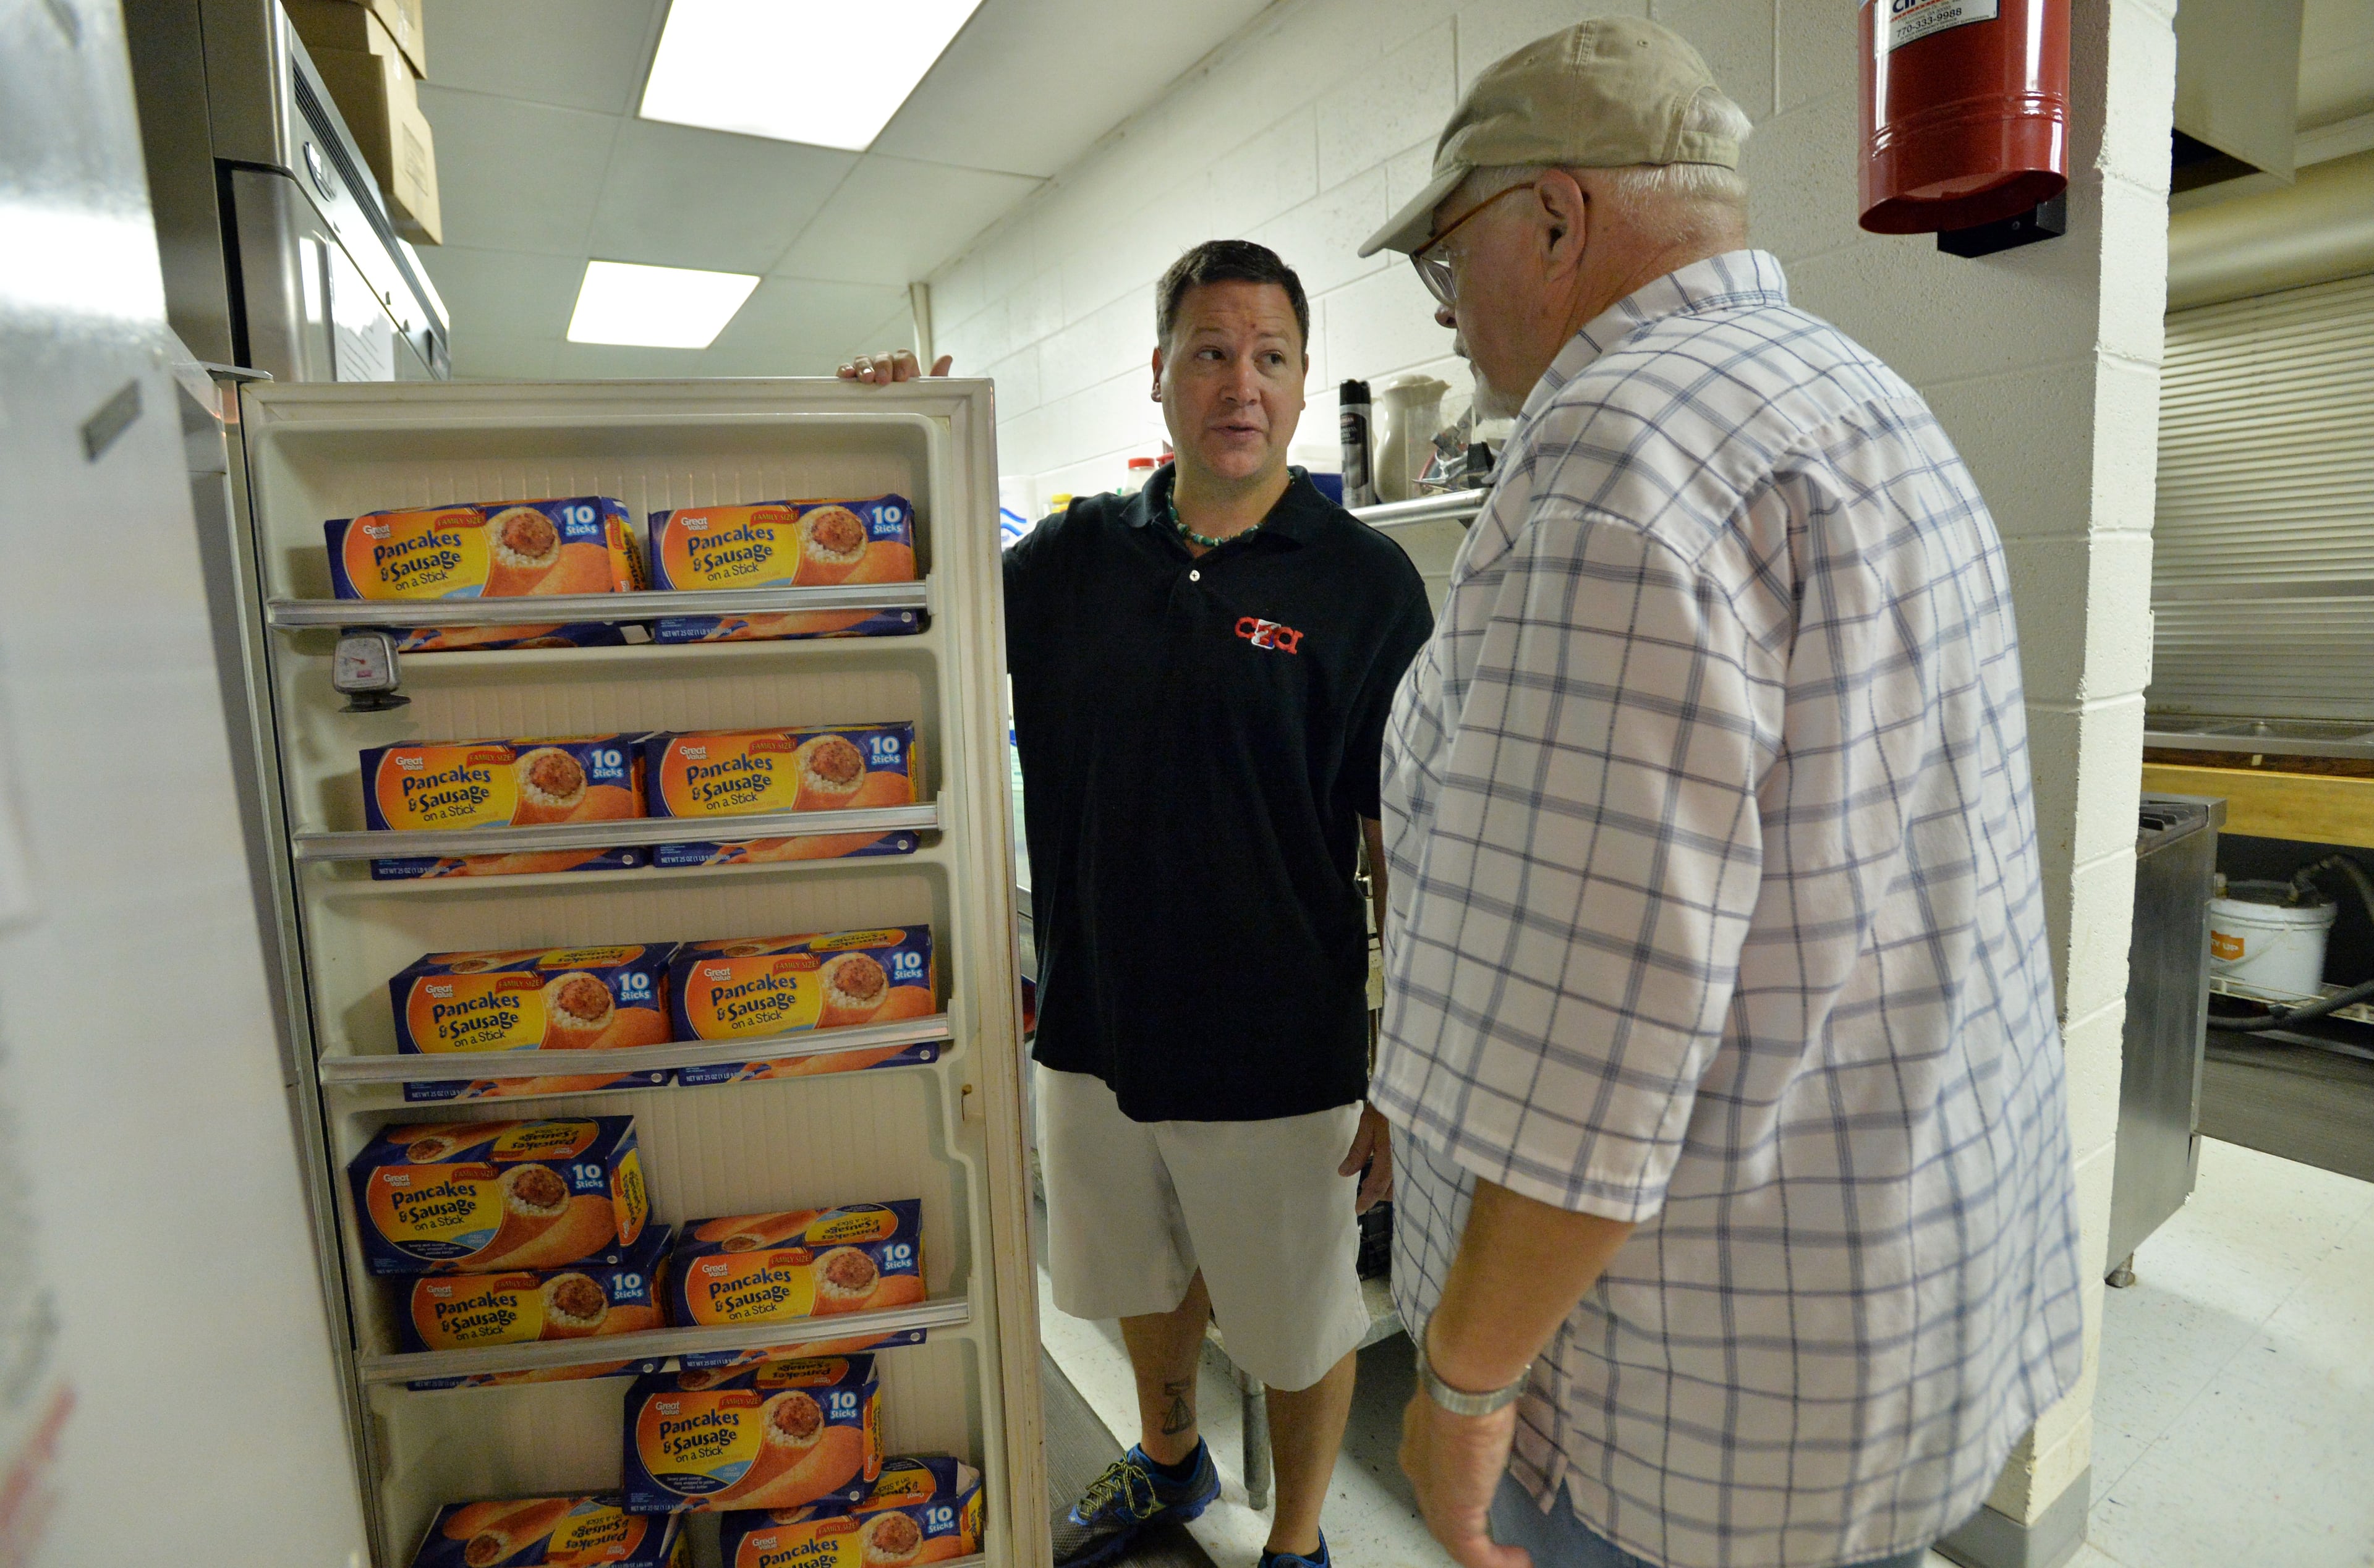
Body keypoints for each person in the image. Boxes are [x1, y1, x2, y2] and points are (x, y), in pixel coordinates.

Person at [1356, 21, 2085, 1568]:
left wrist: (1467, 1385)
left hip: (1677, 1406)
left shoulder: (1616, 459)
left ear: (1555, 220)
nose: (1451, 309)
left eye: (1451, 258)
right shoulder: (1865, 400)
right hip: (1889, 1313)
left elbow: (1587, 1045)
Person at [841, 240, 1434, 1568]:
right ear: (1159, 375)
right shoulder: (1064, 564)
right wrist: (889, 439)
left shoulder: (1363, 586)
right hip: (1097, 1023)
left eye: (1272, 358)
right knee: (1133, 1282)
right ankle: (1170, 1467)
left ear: (1298, 381)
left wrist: (1410, 1066)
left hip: (1282, 1046)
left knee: (1298, 1321)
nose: (1244, 384)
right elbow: (908, 609)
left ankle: (1294, 1544)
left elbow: (1403, 836)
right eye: (1213, 354)